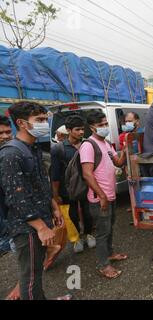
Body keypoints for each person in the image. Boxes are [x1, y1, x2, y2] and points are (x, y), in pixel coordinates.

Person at [0, 102, 71, 300]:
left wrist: (54, 207)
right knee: (30, 277)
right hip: (27, 228)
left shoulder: (32, 148)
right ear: (22, 123)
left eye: (45, 119)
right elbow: (17, 198)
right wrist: (41, 227)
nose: (45, 123)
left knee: (36, 271)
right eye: (39, 120)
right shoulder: (10, 154)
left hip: (41, 218)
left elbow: (41, 183)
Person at [80, 111, 128, 279]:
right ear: (92, 127)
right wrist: (101, 196)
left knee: (109, 228)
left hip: (110, 195)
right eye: (101, 125)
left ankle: (109, 254)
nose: (105, 127)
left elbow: (118, 162)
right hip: (99, 198)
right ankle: (103, 265)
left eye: (106, 124)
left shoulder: (106, 143)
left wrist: (125, 148)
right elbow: (87, 174)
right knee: (102, 232)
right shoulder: (88, 145)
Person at [51, 115, 94, 255]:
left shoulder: (87, 145)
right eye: (77, 130)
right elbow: (55, 174)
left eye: (82, 129)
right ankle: (76, 239)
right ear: (68, 130)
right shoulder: (59, 149)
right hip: (68, 189)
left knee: (88, 213)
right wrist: (56, 195)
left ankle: (88, 234)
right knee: (72, 214)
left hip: (87, 186)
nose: (81, 132)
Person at [0, 115, 20, 300]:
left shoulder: (10, 154)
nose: (6, 136)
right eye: (1, 133)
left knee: (18, 250)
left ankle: (21, 285)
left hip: (9, 216)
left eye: (8, 132)